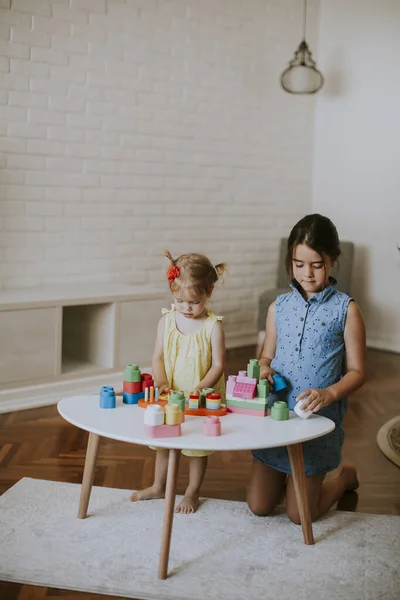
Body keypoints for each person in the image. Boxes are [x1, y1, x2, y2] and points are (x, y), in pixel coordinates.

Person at [248, 214, 366, 524]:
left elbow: (357, 372)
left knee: (300, 515)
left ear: (333, 261)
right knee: (258, 506)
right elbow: (265, 357)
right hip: (278, 419)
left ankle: (341, 479)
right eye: (299, 264)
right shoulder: (278, 307)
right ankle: (291, 481)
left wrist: (330, 393)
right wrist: (263, 369)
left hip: (316, 423)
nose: (307, 273)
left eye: (316, 264)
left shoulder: (347, 309)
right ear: (290, 261)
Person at [130, 249, 226, 514]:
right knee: (163, 441)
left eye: (193, 302)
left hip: (199, 397)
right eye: (179, 300)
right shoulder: (166, 321)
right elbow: (158, 356)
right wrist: (160, 381)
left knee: (196, 447)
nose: (186, 308)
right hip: (169, 395)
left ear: (209, 292)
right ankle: (159, 485)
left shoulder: (212, 326)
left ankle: (193, 491)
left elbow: (218, 365)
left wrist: (202, 386)